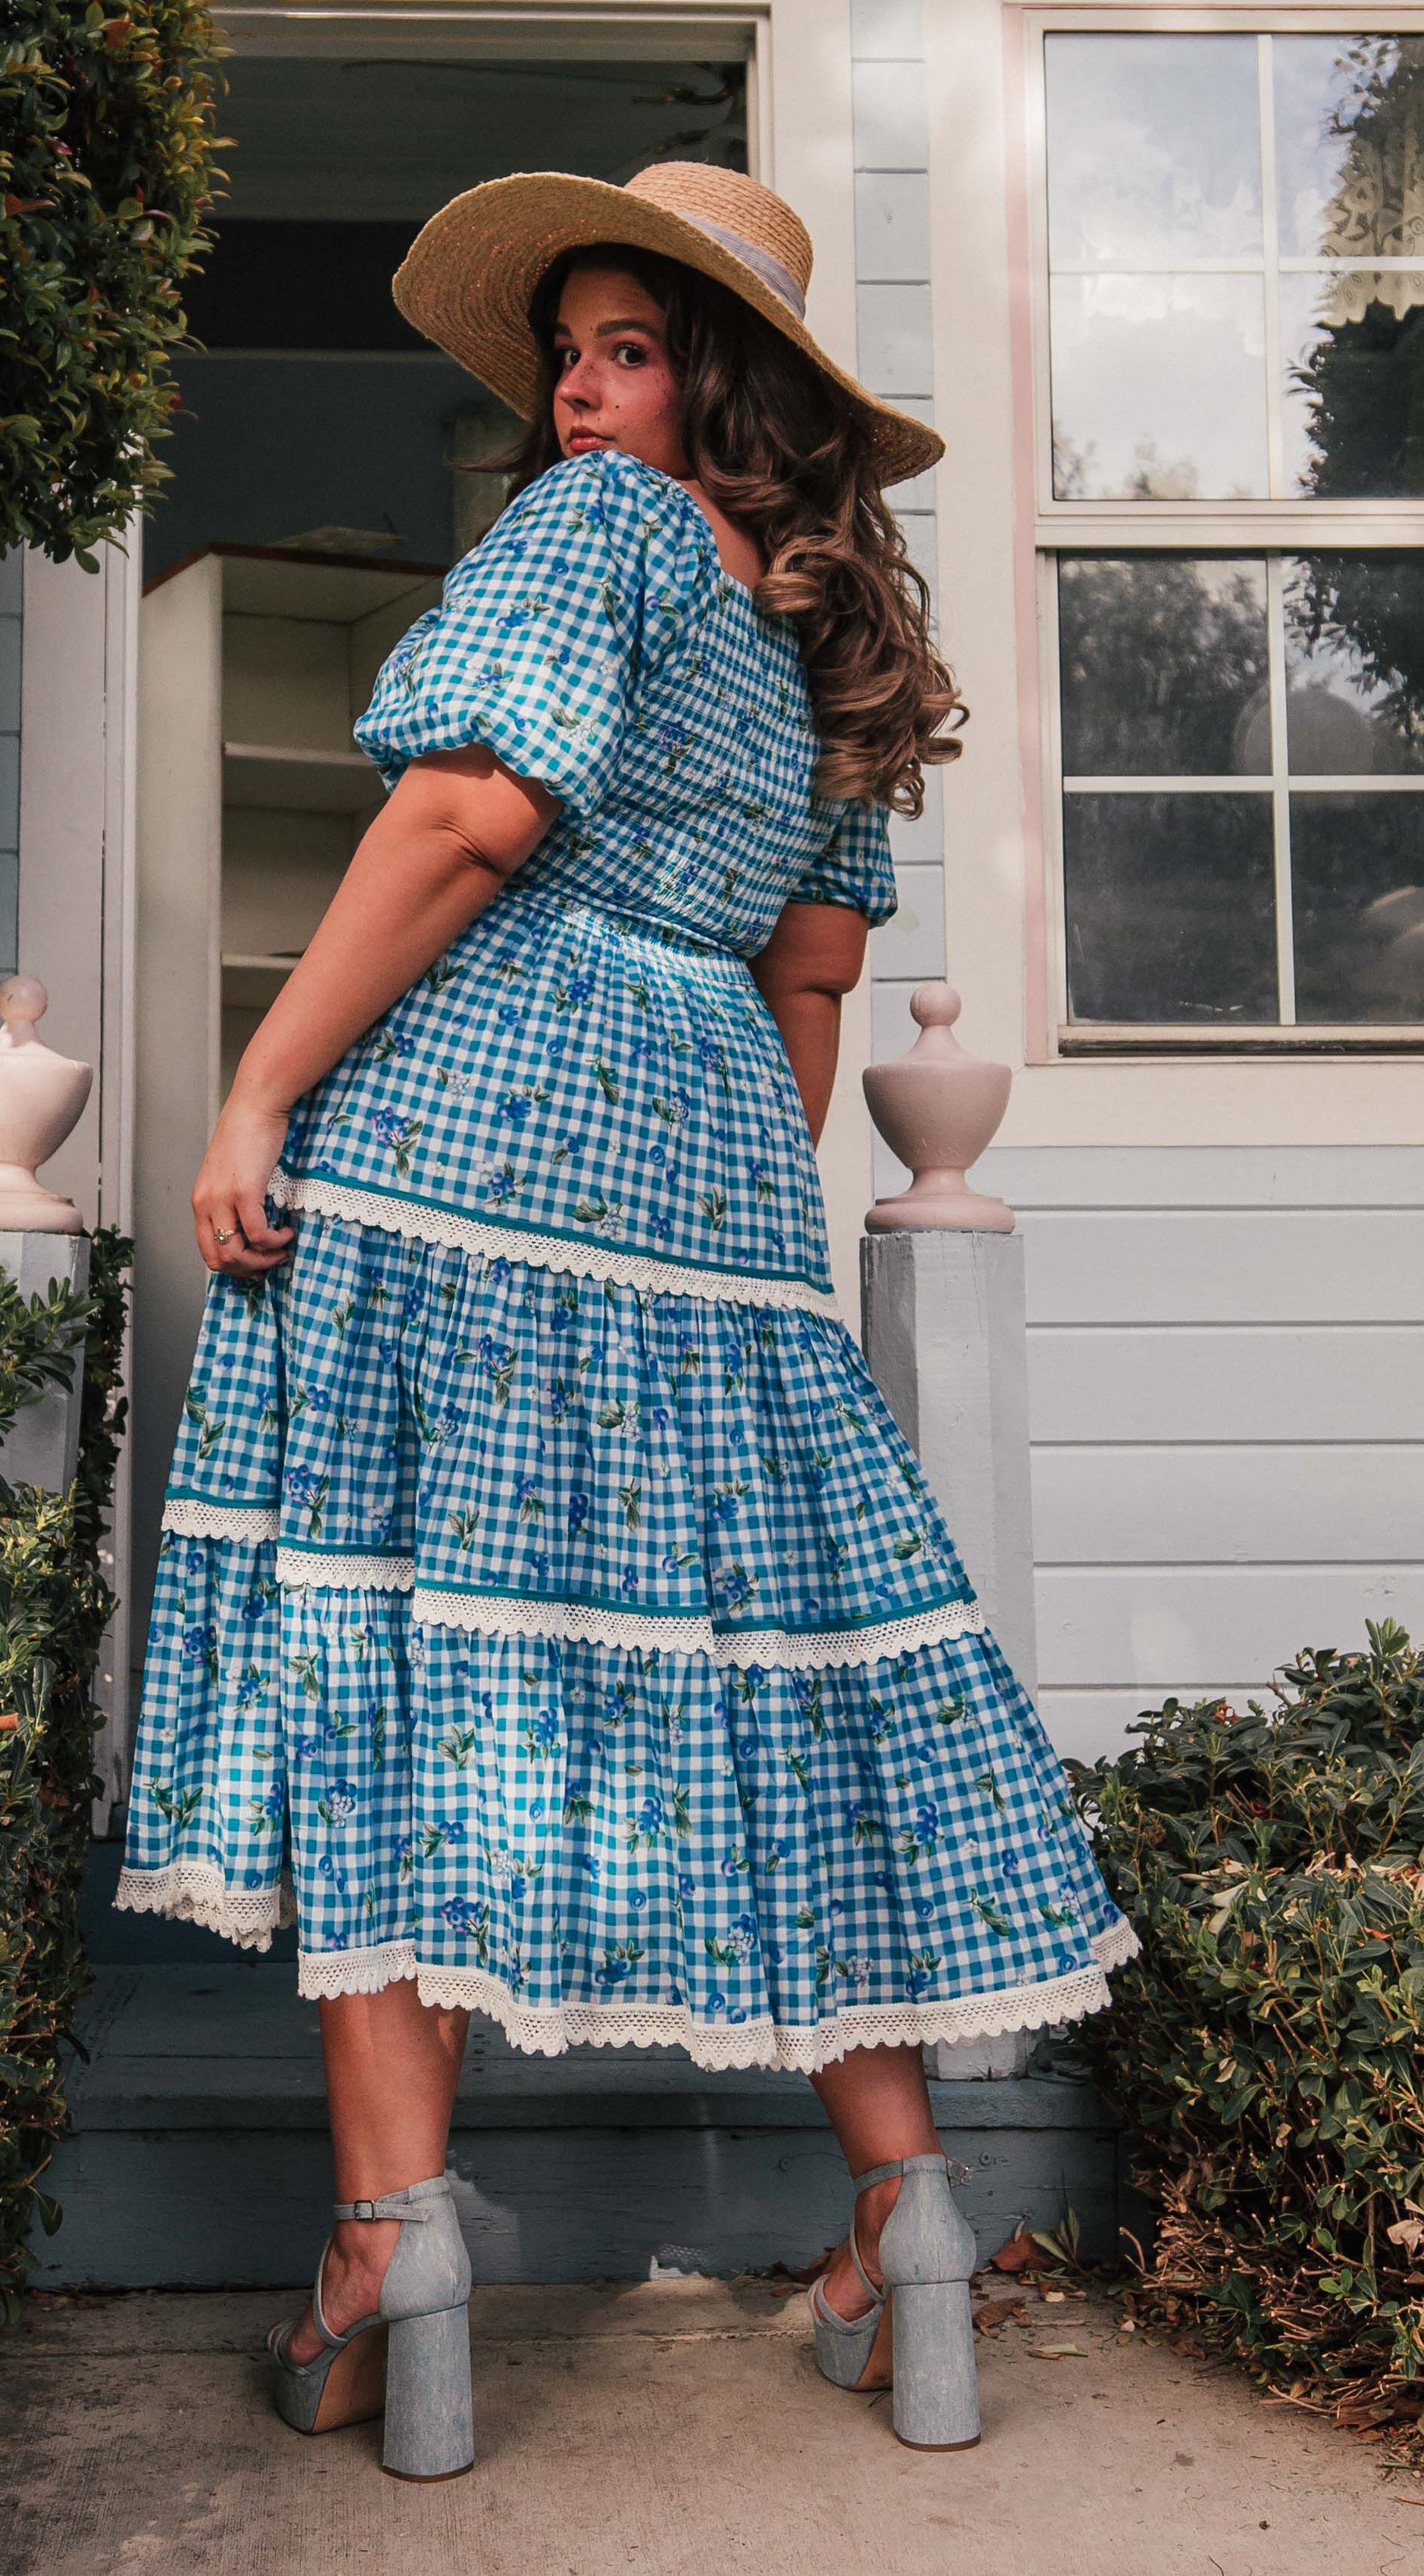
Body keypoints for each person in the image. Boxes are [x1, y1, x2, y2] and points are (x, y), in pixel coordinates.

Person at [115, 161, 1136, 2479]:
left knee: (382, 1651)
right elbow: (809, 977)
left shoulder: (596, 538)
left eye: (633, 349)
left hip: (462, 1148)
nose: (581, 392)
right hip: (703, 1183)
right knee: (778, 1684)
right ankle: (912, 2217)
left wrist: (261, 1082)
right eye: (569, 350)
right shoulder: (825, 634)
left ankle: (396, 2244)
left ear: (725, 382)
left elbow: (469, 820)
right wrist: (743, 1247)